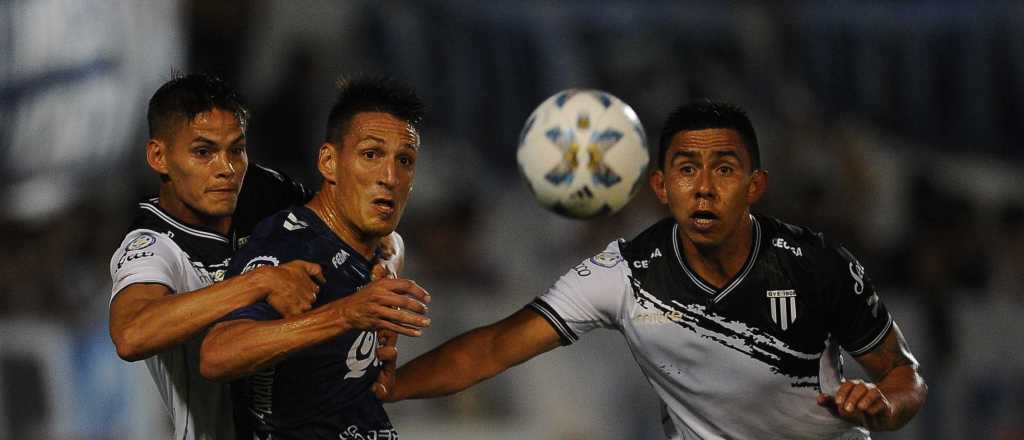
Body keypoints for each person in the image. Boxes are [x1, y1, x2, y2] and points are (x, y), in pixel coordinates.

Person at [375, 101, 927, 439]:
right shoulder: (625, 274)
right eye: (687, 169)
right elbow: (494, 348)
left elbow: (904, 376)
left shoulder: (817, 265)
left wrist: (885, 405)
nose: (704, 187)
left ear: (755, 185)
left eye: (724, 169)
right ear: (660, 187)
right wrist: (393, 387)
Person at [107, 73, 404, 440]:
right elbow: (131, 335)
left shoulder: (265, 192)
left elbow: (368, 229)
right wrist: (259, 282)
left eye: (236, 150)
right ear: (159, 156)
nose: (227, 169)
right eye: (203, 152)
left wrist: (384, 268)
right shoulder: (153, 244)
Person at [200, 76, 431, 439]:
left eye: (404, 160)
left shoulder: (373, 248)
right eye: (371, 155)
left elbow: (393, 242)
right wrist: (345, 314)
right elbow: (217, 353)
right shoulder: (292, 247)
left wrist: (388, 263)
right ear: (329, 162)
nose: (390, 176)